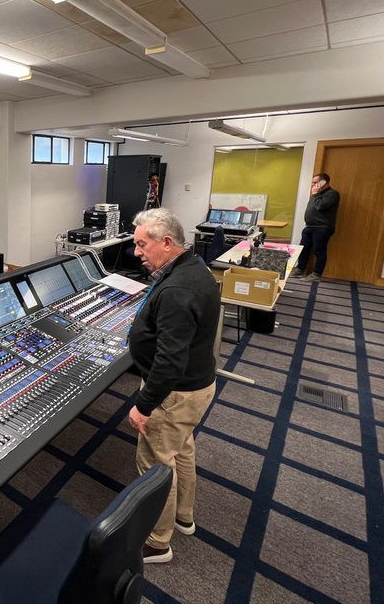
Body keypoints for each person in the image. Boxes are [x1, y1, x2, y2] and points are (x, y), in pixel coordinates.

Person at [127, 208, 220, 565]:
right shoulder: (194, 268)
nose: (137, 252)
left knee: (155, 464)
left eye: (142, 244)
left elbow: (170, 361)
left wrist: (144, 404)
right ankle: (184, 517)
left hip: (173, 394)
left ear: (166, 243)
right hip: (194, 388)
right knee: (182, 450)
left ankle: (157, 541)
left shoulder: (178, 289)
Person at [294, 172, 340, 281]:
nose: (312, 185)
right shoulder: (317, 194)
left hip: (322, 227)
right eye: (312, 182)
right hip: (309, 226)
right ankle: (300, 269)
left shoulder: (332, 194)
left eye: (315, 182)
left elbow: (321, 206)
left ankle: (316, 274)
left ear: (324, 182)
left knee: (318, 250)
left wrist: (315, 194)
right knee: (303, 249)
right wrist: (315, 194)